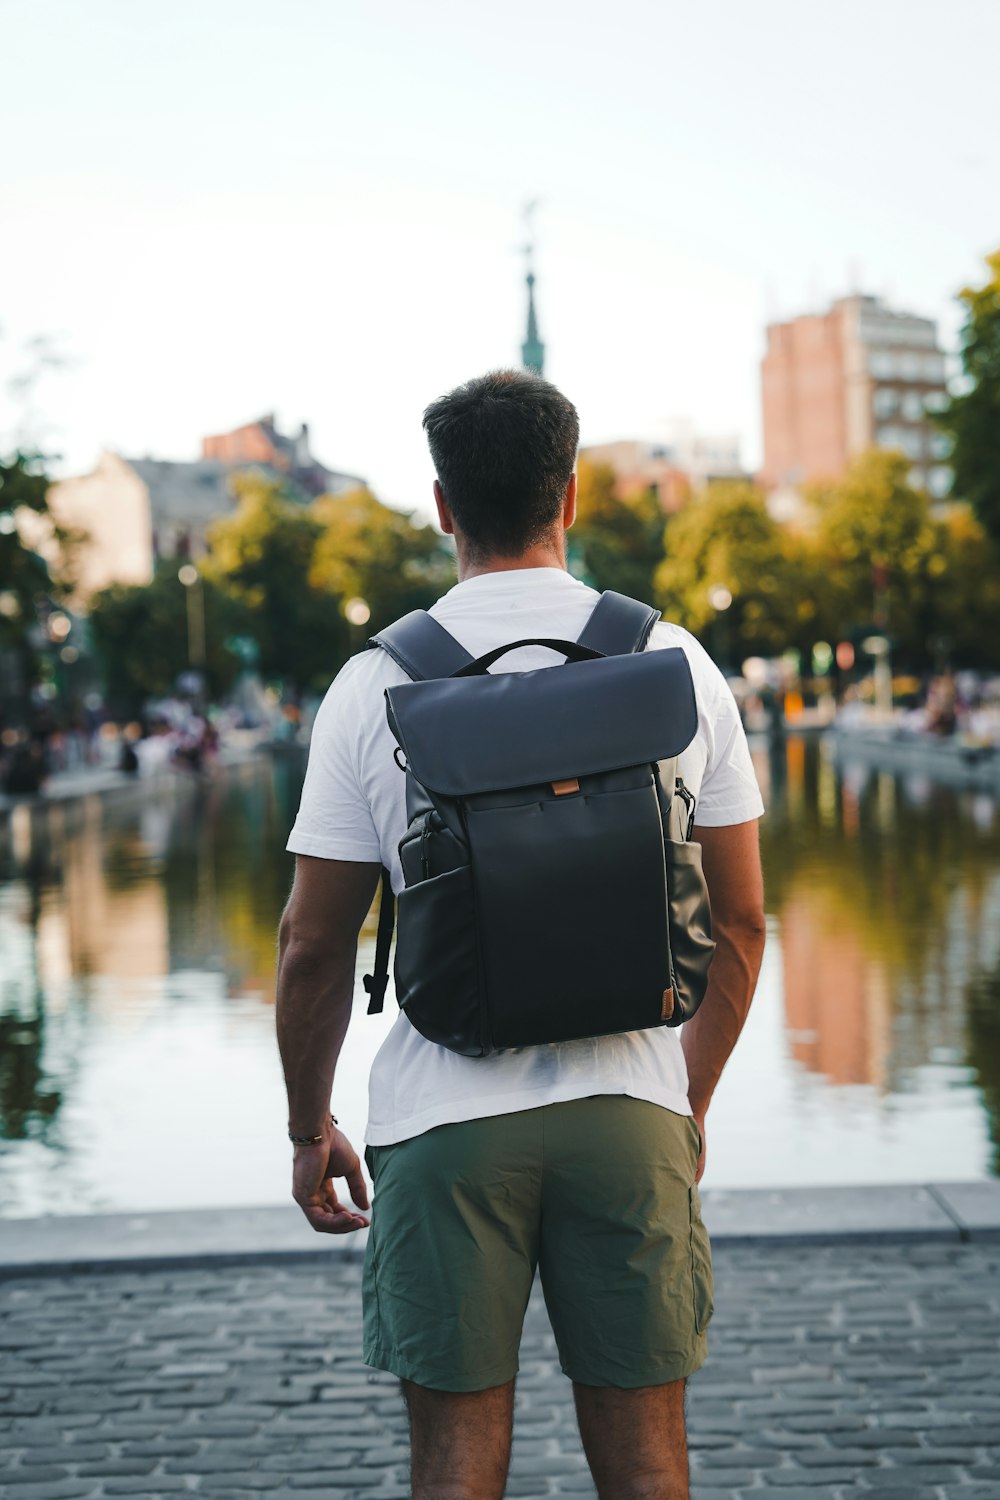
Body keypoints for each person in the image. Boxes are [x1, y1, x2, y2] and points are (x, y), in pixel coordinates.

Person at [276, 369, 766, 1500]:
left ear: (441, 505)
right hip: (629, 1112)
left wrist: (311, 1125)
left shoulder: (373, 683)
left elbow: (313, 945)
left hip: (444, 1123)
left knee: (453, 1466)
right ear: (573, 494)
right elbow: (739, 921)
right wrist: (683, 1103)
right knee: (647, 1463)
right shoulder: (676, 663)